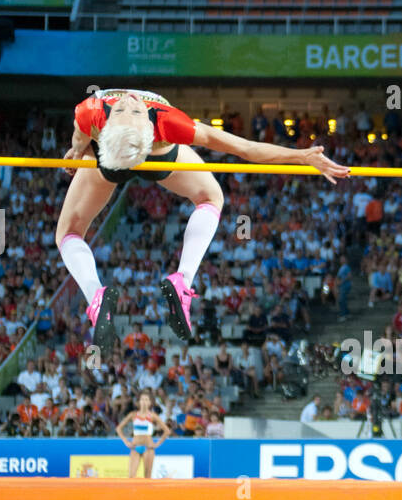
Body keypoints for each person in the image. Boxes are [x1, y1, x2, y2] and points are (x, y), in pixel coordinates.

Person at [57, 89, 349, 352]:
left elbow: (80, 138)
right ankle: (182, 280)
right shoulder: (160, 122)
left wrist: (75, 151)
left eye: (131, 110)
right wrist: (300, 156)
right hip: (134, 155)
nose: (127, 102)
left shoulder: (94, 111)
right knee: (211, 198)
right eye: (123, 111)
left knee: (68, 234)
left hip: (111, 160)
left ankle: (96, 297)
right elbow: (244, 149)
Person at [114, 392, 171, 479]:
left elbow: (167, 431)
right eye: (142, 399)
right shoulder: (133, 415)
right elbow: (118, 428)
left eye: (146, 399)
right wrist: (126, 442)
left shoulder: (152, 416)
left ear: (149, 403)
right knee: (131, 476)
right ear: (139, 402)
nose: (144, 401)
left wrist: (157, 444)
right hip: (135, 447)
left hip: (148, 448)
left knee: (147, 477)